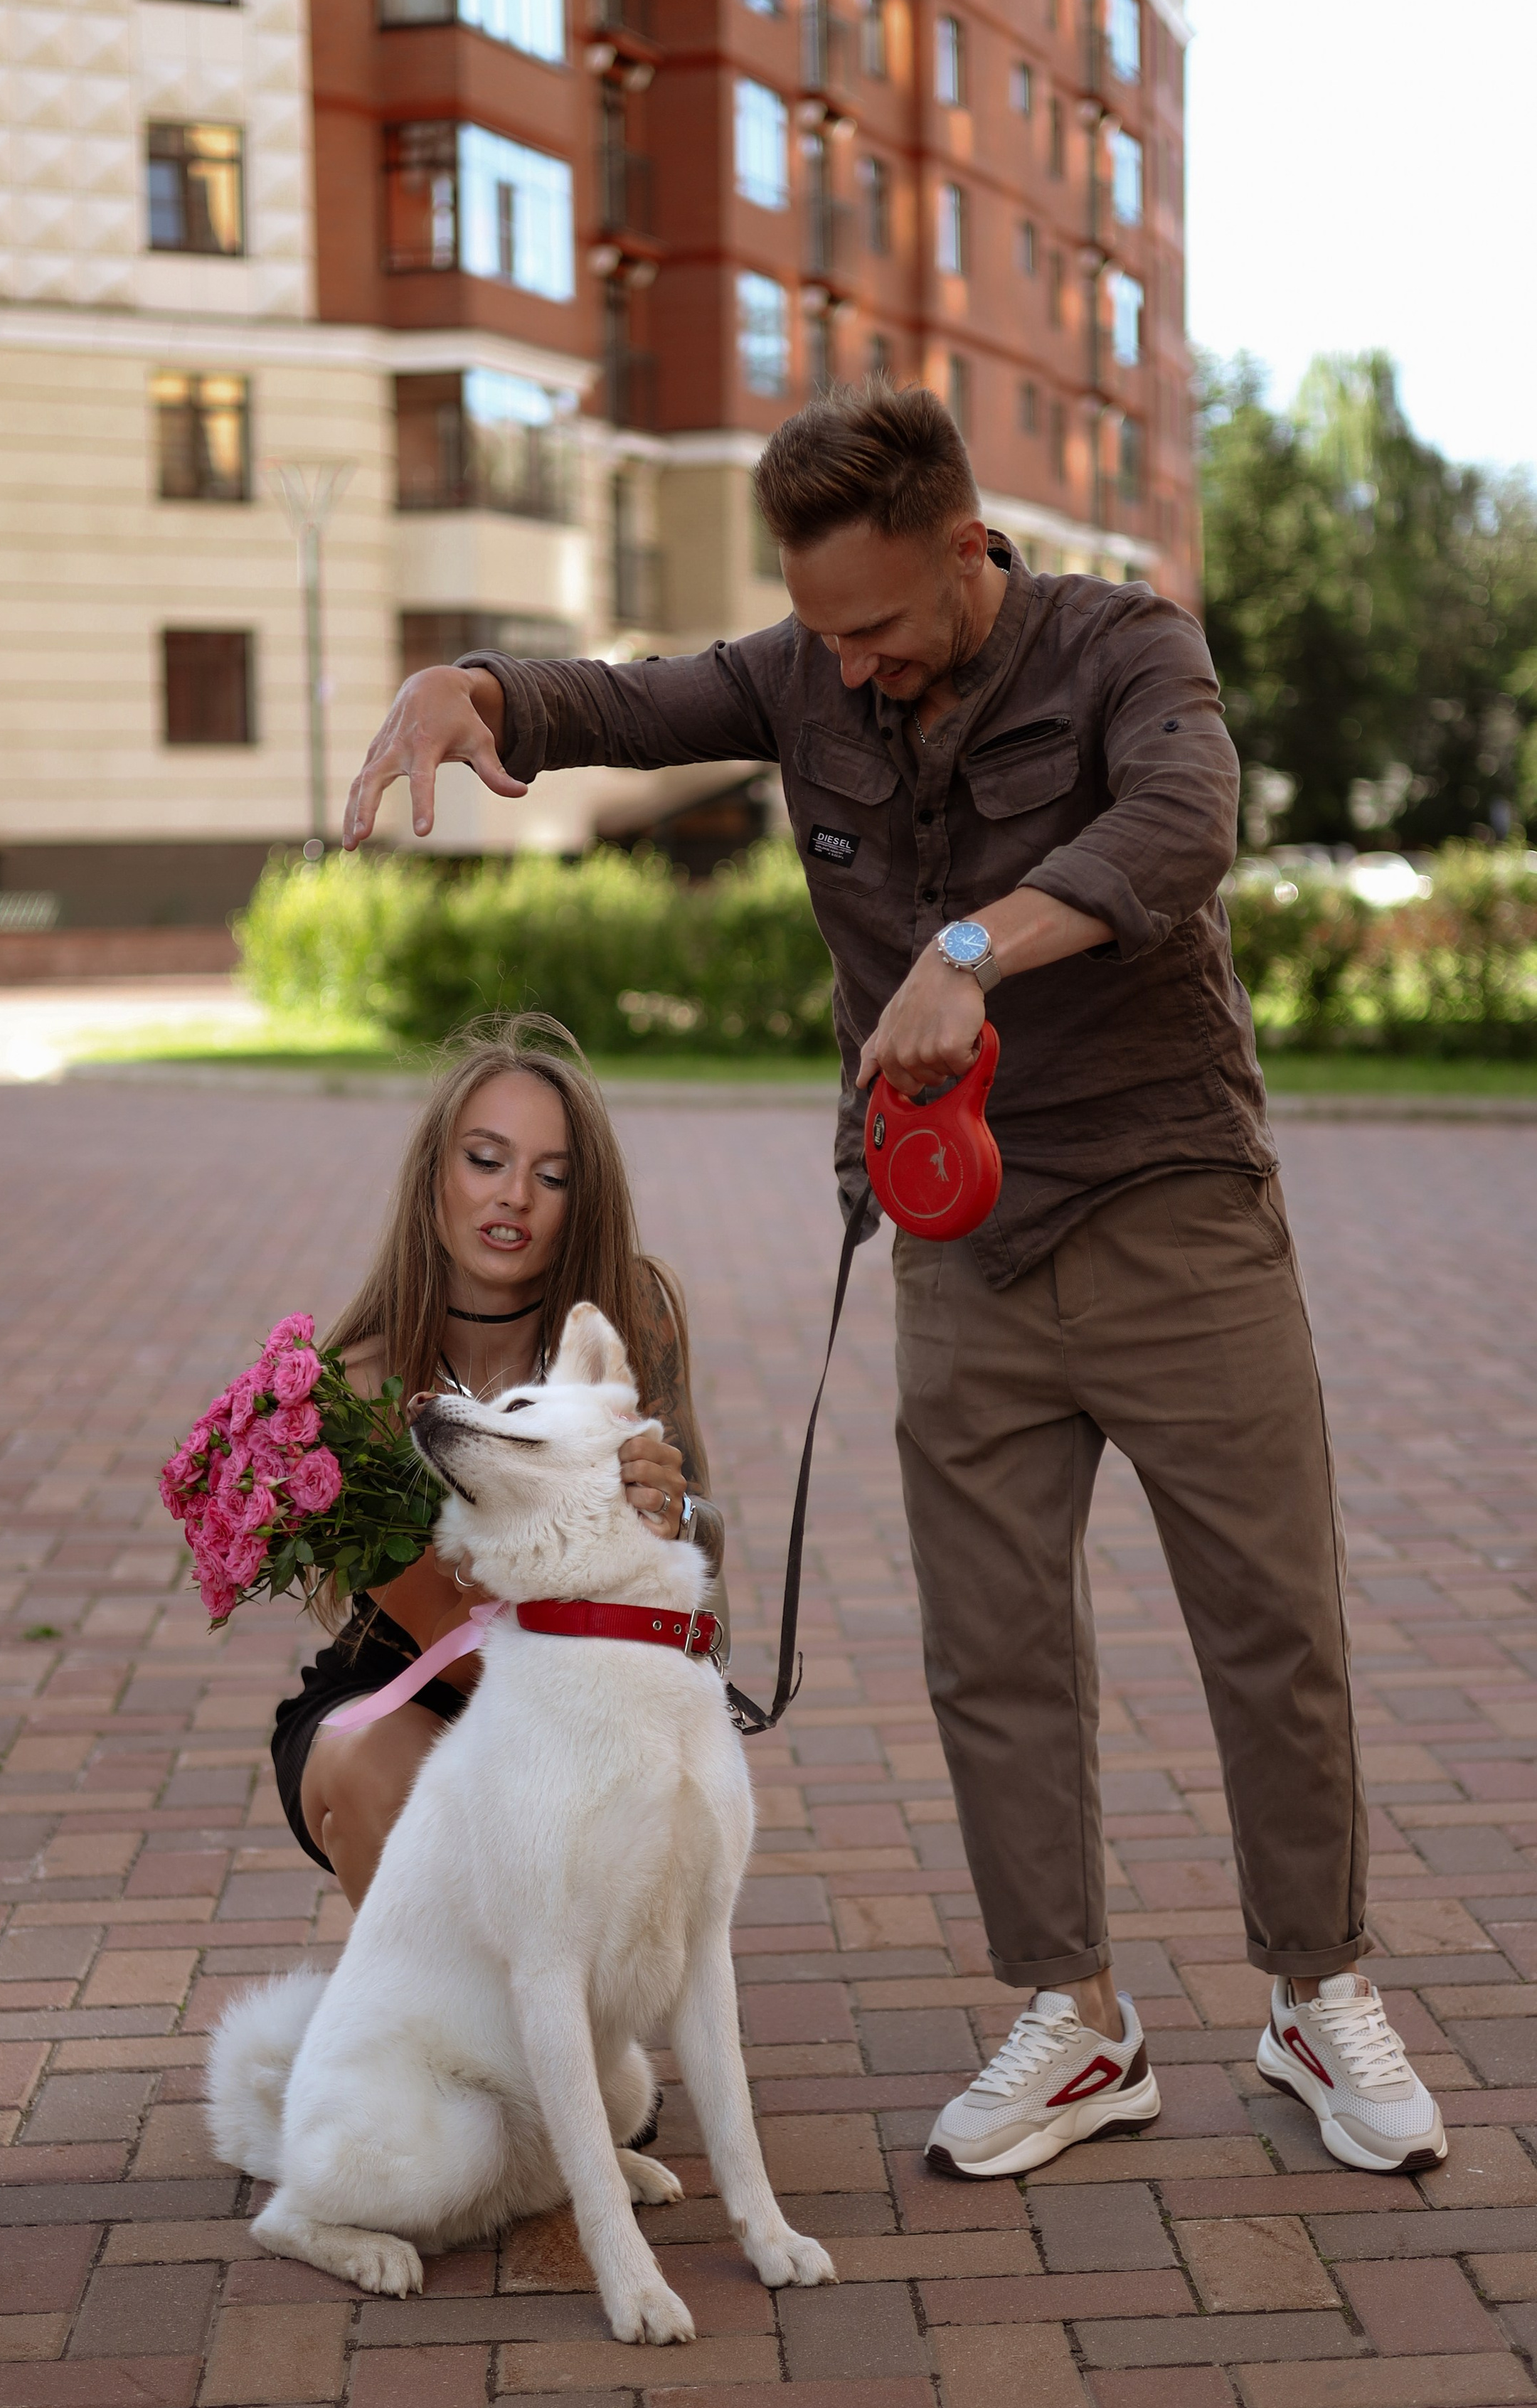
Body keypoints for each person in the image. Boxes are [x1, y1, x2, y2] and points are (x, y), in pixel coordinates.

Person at [339, 380, 1446, 2182]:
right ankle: (1072, 2018)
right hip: (957, 1241)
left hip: (1171, 1205)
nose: (840, 666)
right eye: (816, 628)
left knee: (1268, 1623)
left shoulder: (1120, 647)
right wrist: (465, 686)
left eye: (871, 624)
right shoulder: (801, 669)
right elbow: (619, 699)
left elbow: (1180, 824)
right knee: (989, 1647)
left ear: (963, 546)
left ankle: (1316, 1993)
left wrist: (967, 948)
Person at [271, 1016, 726, 1910]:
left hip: (591, 1687)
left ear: (579, 1202)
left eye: (551, 1176)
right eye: (486, 1161)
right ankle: (420, 2028)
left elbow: (697, 1554)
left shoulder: (630, 1316)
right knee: (386, 1775)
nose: (514, 1194)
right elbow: (449, 1636)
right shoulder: (358, 1384)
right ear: (435, 1175)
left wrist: (675, 1523)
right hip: (409, 1686)